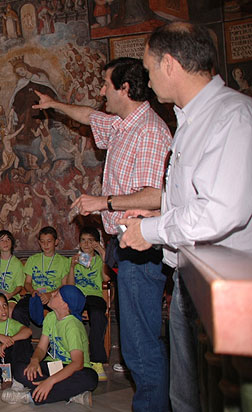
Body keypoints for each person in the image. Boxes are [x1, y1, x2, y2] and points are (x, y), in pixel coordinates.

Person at [118, 22, 252, 412]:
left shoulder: (232, 117)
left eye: (148, 67)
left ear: (170, 64)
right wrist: (159, 211)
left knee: (214, 398)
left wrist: (152, 229)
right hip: (191, 278)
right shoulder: (191, 119)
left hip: (228, 294)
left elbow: (220, 210)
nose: (147, 77)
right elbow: (197, 196)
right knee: (187, 396)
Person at [33, 57, 172, 411]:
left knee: (140, 343)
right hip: (120, 245)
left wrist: (103, 202)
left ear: (124, 88)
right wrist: (53, 105)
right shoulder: (124, 124)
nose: (100, 92)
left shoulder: (151, 132)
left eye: (105, 85)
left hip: (144, 246)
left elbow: (156, 194)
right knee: (133, 339)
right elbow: (87, 115)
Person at [1, 286, 98, 406]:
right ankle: (72, 394)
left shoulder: (72, 326)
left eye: (57, 295)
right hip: (54, 366)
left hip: (74, 370)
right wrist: (35, 360)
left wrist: (50, 381)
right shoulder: (51, 317)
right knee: (21, 369)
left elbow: (77, 363)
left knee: (90, 378)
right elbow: (41, 348)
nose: (51, 295)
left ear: (65, 305)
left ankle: (29, 397)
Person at [65, 226, 109, 381]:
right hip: (78, 296)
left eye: (90, 241)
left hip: (94, 296)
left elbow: (106, 279)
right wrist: (71, 267)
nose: (86, 244)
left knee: (98, 316)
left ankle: (96, 361)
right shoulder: (75, 259)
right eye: (83, 240)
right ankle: (73, 357)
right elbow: (70, 286)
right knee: (69, 316)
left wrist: (102, 252)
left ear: (96, 243)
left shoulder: (98, 260)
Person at [13, 227, 70, 327]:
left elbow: (64, 284)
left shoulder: (64, 261)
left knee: (62, 310)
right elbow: (27, 283)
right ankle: (24, 339)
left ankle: (58, 338)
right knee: (18, 311)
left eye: (49, 241)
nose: (46, 245)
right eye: (42, 242)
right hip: (35, 294)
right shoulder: (33, 259)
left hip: (54, 295)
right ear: (39, 242)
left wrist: (50, 294)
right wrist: (32, 291)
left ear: (56, 242)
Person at [0, 293, 32, 390]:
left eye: (5, 305)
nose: (3, 309)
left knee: (22, 343)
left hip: (11, 357)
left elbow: (28, 331)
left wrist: (8, 341)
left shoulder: (12, 323)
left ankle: (18, 378)